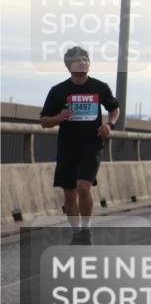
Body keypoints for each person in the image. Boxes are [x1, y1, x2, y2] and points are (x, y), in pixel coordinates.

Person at [39, 46, 120, 245]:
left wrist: (109, 124)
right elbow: (44, 121)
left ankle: (86, 229)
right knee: (69, 193)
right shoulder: (59, 91)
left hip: (92, 145)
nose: (83, 62)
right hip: (67, 147)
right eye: (79, 60)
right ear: (69, 65)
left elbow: (114, 108)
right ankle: (76, 232)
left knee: (83, 186)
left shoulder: (99, 87)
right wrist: (59, 117)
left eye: (86, 59)